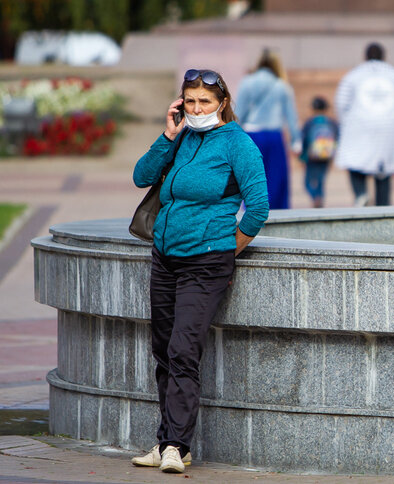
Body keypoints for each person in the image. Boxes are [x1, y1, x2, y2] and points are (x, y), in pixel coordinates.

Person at [130, 68, 269, 474]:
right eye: (189, 101)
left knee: (183, 350)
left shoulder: (238, 145)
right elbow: (141, 176)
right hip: (165, 258)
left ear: (222, 104)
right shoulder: (184, 137)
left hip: (205, 262)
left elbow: (258, 207)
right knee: (162, 351)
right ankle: (167, 441)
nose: (196, 109)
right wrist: (168, 135)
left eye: (204, 102)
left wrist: (227, 247)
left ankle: (175, 445)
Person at [335, 42, 394, 206]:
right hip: (389, 128)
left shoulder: (353, 76)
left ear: (364, 56)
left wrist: (344, 127)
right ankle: (382, 206)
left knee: (354, 163)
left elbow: (341, 104)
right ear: (384, 56)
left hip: (360, 126)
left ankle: (361, 193)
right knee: (384, 170)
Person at [235, 49, 301, 209]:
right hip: (274, 136)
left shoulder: (247, 82)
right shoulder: (282, 85)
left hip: (251, 135)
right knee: (276, 180)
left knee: (251, 179)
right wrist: (296, 140)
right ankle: (276, 215)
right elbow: (291, 116)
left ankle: (252, 214)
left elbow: (238, 113)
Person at [299, 96, 339, 208]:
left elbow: (303, 139)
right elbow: (337, 138)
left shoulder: (310, 122)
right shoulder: (332, 122)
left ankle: (314, 196)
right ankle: (319, 198)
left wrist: (302, 156)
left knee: (307, 182)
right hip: (326, 155)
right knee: (321, 180)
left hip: (311, 156)